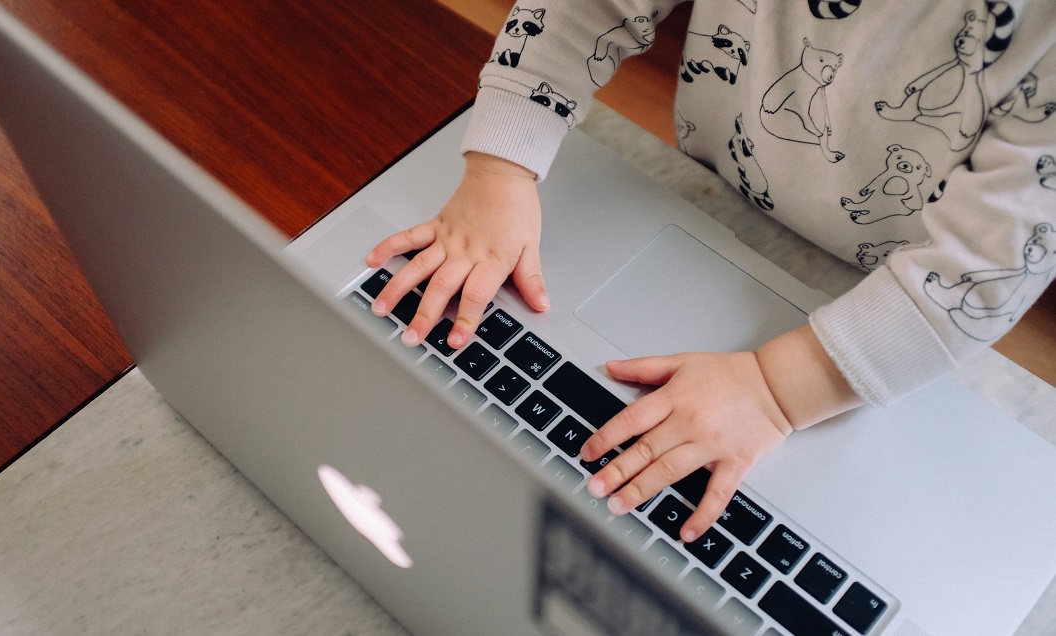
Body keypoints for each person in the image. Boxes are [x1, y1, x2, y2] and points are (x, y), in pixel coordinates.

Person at [366, 0, 1056, 543]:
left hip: (889, 296)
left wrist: (777, 391)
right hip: (718, 187)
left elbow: (980, 275)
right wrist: (500, 166)